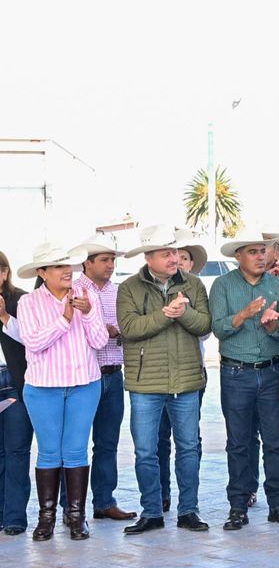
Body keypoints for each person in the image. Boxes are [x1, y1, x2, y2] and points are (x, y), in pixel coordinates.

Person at [118, 225, 212, 534]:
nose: (173, 258)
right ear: (148, 257)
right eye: (166, 253)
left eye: (175, 252)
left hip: (186, 382)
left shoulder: (194, 284)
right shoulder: (129, 288)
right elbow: (130, 329)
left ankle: (189, 510)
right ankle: (152, 512)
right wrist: (167, 313)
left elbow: (205, 326)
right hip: (145, 385)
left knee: (188, 447)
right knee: (145, 451)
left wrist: (182, 313)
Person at [14, 242, 108, 541]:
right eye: (58, 266)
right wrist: (65, 318)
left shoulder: (87, 295)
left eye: (68, 265)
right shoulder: (29, 302)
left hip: (84, 384)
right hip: (43, 387)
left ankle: (77, 517)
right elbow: (34, 342)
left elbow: (100, 341)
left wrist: (90, 312)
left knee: (76, 450)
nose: (67, 270)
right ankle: (47, 519)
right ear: (42, 272)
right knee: (49, 452)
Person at [210, 232, 279, 531]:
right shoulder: (223, 285)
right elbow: (218, 329)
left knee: (276, 440)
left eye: (263, 251)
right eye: (253, 252)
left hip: (272, 371)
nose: (260, 256)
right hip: (236, 373)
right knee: (238, 443)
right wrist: (244, 314)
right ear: (238, 256)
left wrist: (273, 324)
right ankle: (238, 506)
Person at [75, 239, 136, 521]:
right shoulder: (73, 290)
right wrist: (100, 329)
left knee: (107, 442)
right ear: (87, 263)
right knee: (73, 445)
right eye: (104, 260)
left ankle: (104, 502)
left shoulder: (120, 293)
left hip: (112, 374)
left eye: (113, 260)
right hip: (81, 376)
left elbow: (130, 329)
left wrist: (118, 332)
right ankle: (70, 508)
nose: (111, 266)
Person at [155, 243, 211, 514]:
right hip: (157, 376)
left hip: (192, 373)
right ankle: (161, 495)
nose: (179, 261)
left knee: (189, 440)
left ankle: (189, 504)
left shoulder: (197, 289)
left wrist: (183, 311)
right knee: (158, 439)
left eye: (185, 258)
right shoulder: (156, 290)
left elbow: (205, 331)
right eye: (174, 256)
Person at [0, 251, 32, 535]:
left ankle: (14, 518)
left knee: (16, 451)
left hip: (14, 381)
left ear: (4, 273)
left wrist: (3, 315)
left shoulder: (22, 300)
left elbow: (31, 340)